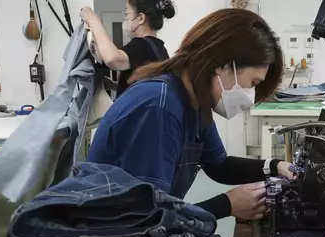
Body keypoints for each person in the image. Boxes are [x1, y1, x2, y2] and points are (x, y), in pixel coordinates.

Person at [87, 8, 291, 222]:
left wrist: (275, 166)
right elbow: (144, 219)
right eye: (253, 83)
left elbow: (219, 166)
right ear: (222, 65)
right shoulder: (158, 106)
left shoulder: (195, 101)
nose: (250, 96)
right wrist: (226, 204)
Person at [80, 0, 175, 97]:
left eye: (126, 13)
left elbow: (112, 59)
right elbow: (143, 87)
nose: (124, 18)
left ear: (140, 18)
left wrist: (92, 19)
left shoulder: (141, 45)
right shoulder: (159, 48)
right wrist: (115, 86)